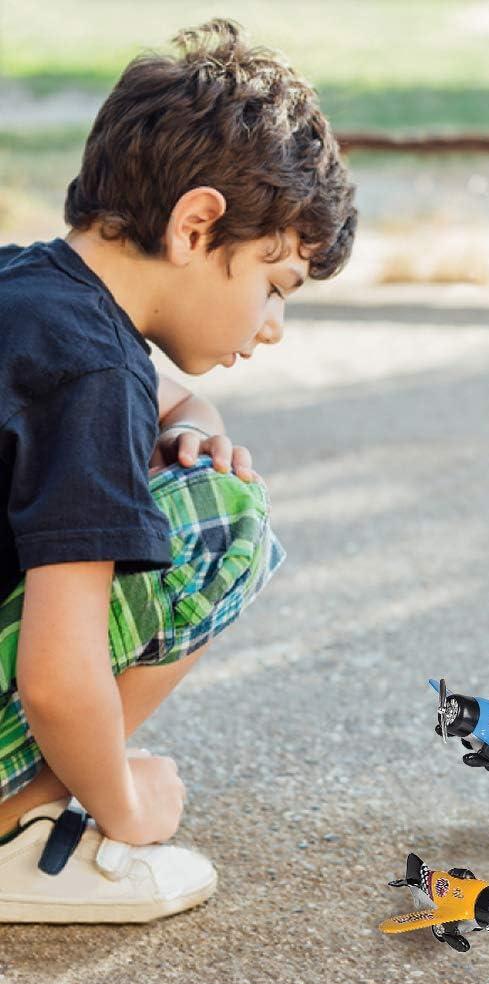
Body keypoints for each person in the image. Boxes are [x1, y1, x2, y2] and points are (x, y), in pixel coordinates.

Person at [0, 18, 356, 923]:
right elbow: (54, 668)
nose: (270, 326)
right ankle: (19, 820)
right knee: (224, 516)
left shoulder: (29, 289)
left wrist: (192, 412)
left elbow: (146, 392)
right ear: (197, 227)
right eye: (274, 286)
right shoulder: (96, 376)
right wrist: (123, 799)